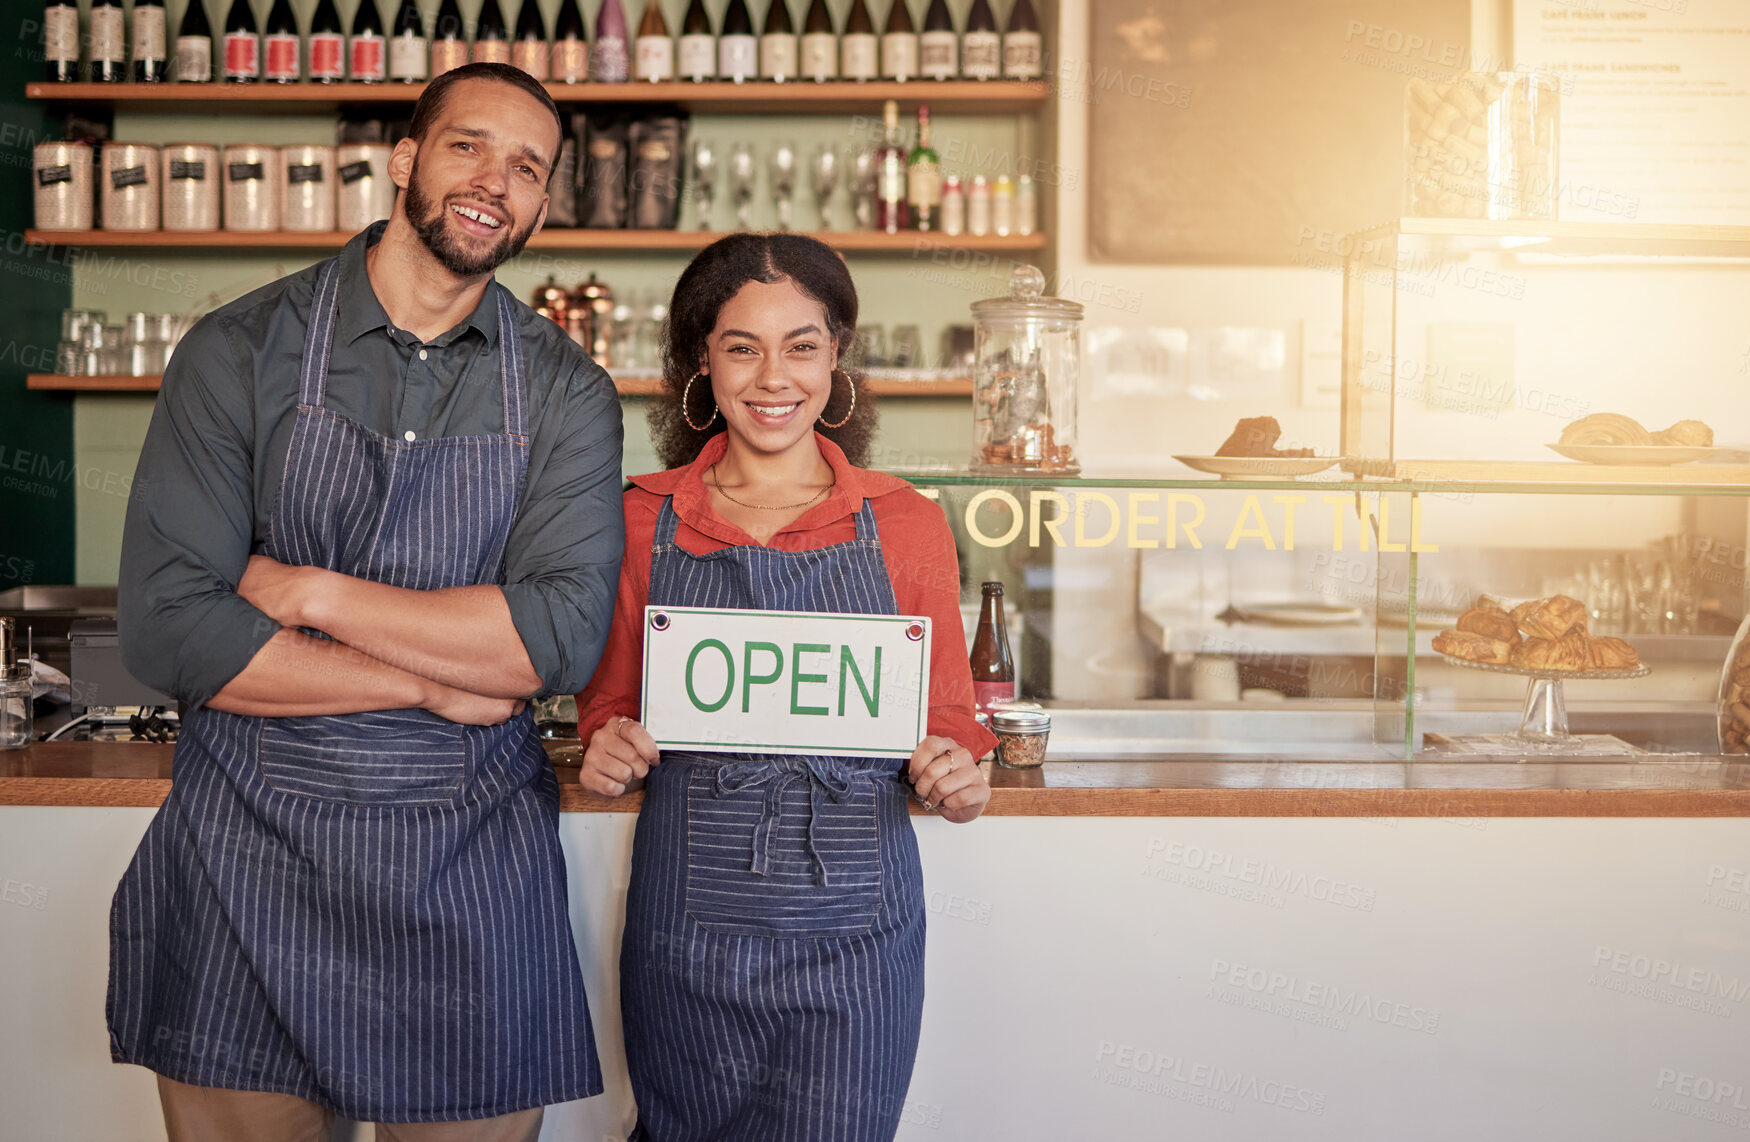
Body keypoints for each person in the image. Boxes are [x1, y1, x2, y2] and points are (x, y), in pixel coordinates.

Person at [110, 63, 624, 1141]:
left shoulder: (568, 390)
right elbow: (169, 625)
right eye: (467, 146)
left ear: (541, 204)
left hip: (469, 878)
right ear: (405, 158)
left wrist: (305, 589)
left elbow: (555, 638)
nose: (496, 181)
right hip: (244, 863)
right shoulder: (238, 351)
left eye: (528, 167)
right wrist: (428, 683)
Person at [575, 232, 997, 1141]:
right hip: (686, 936)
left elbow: (948, 732)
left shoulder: (909, 525)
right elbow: (609, 711)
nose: (775, 377)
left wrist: (958, 779)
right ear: (703, 362)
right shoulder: (638, 519)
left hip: (858, 941)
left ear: (837, 358)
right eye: (742, 347)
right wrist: (608, 751)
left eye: (801, 345)